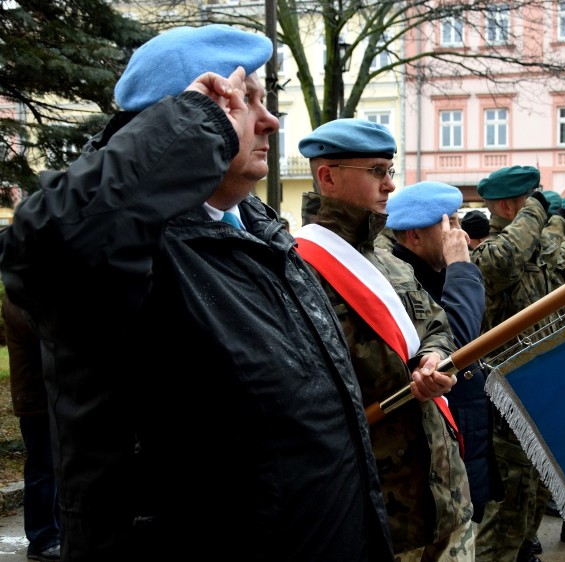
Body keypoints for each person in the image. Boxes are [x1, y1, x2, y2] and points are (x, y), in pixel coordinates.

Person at [0, 25, 393, 562]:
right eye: (245, 100)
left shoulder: (256, 230)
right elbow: (53, 242)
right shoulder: (129, 256)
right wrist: (195, 121)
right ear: (185, 120)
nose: (270, 120)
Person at [296, 119, 474, 561]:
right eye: (377, 171)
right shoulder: (297, 266)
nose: (391, 184)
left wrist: (433, 359)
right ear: (328, 177)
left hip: (447, 496)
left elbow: (436, 326)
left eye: (390, 169)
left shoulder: (389, 262)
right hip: (379, 509)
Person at [385, 181, 504, 527]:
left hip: (463, 445)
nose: (460, 236)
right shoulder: (405, 282)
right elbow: (459, 342)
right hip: (432, 463)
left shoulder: (436, 274)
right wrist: (462, 269)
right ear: (415, 237)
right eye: (449, 224)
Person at [469, 166, 565, 562]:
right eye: (532, 203)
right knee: (507, 511)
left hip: (536, 394)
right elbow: (504, 259)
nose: (539, 212)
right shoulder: (488, 253)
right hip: (504, 402)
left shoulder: (532, 251)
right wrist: (533, 213)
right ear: (511, 206)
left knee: (529, 496)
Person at [2, 294, 61, 562]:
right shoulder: (19, 296)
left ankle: (57, 532)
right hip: (36, 397)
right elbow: (43, 332)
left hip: (54, 395)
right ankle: (42, 538)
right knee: (43, 467)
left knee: (57, 466)